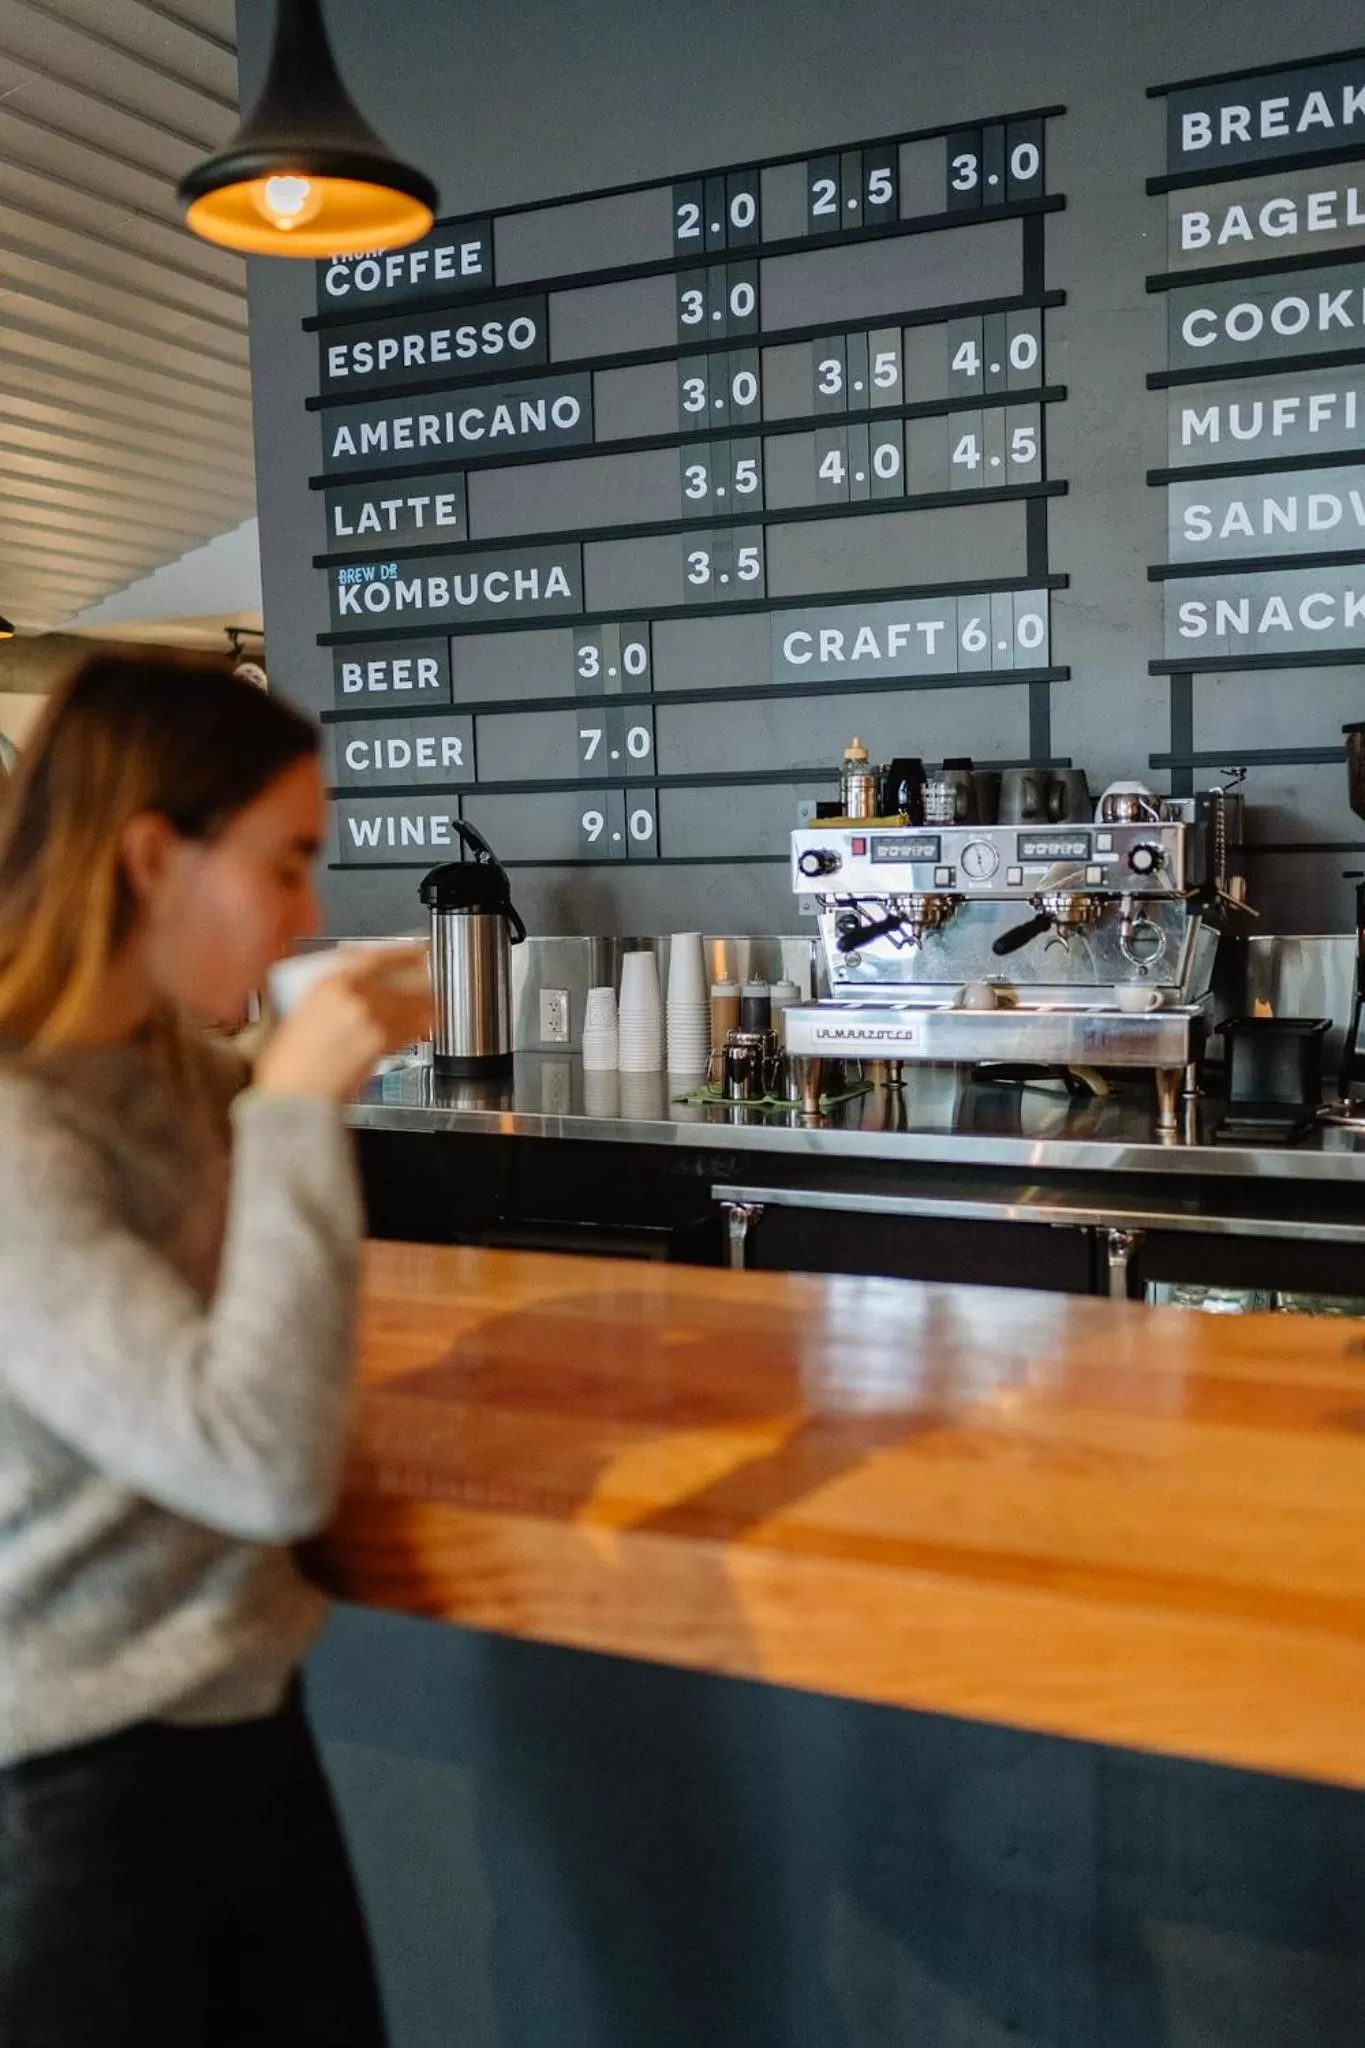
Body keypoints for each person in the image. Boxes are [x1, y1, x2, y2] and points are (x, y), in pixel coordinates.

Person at [0, 653, 430, 2047]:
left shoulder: (168, 1071)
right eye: (286, 863)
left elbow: (261, 1339)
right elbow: (262, 1465)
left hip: (234, 1720)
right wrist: (297, 1108)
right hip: (69, 1782)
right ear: (149, 858)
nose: (310, 915)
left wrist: (278, 1093)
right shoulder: (17, 1137)